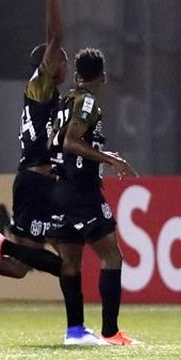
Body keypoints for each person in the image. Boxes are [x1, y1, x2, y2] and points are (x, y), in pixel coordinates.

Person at [0, 0, 67, 278]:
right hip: (37, 183)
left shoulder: (44, 94)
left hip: (36, 180)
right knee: (68, 259)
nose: (63, 64)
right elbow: (55, 39)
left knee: (18, 269)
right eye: (60, 61)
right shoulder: (39, 87)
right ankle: (1, 244)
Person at [47, 48, 140, 345]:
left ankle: (74, 331)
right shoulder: (86, 101)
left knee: (70, 262)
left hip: (60, 188)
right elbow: (70, 142)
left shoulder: (65, 101)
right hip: (82, 191)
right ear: (104, 76)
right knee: (112, 256)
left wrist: (99, 156)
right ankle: (110, 332)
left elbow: (54, 142)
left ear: (76, 76)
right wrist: (107, 159)